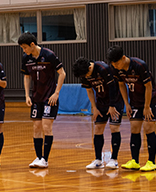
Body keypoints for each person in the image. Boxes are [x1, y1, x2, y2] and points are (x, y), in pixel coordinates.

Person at [107, 46, 156, 172]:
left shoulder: (139, 65)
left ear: (123, 58)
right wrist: (127, 103)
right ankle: (135, 161)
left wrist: (147, 106)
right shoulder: (116, 69)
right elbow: (121, 85)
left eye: (117, 63)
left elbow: (148, 86)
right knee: (134, 128)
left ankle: (151, 162)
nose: (115, 66)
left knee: (148, 128)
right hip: (135, 101)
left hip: (149, 100)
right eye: (113, 64)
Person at [19, 32, 66, 168]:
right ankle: (38, 157)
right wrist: (27, 95)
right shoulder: (26, 58)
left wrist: (56, 93)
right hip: (36, 97)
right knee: (36, 127)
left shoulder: (49, 55)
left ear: (32, 44)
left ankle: (45, 159)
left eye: (25, 47)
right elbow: (27, 77)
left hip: (49, 97)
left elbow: (62, 73)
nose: (24, 50)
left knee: (46, 126)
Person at [72, 57, 124, 170]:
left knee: (114, 128)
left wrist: (112, 105)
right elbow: (89, 90)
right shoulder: (84, 74)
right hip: (101, 103)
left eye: (86, 75)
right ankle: (98, 160)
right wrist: (94, 107)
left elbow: (113, 87)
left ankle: (114, 159)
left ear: (89, 67)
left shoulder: (103, 69)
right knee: (98, 129)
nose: (86, 77)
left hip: (115, 101)